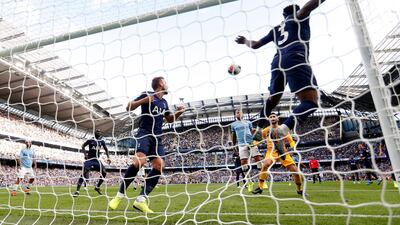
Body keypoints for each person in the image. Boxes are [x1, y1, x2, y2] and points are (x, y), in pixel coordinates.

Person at [235, 0, 326, 142]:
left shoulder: (275, 29)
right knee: (311, 101)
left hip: (277, 63)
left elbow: (256, 45)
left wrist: (245, 40)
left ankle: (259, 130)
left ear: (283, 16)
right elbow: (307, 7)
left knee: (272, 100)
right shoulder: (299, 16)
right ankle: (284, 129)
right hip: (295, 57)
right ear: (296, 12)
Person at [109, 76, 184, 213]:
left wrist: (179, 112)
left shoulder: (165, 102)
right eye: (165, 82)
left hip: (157, 137)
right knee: (139, 162)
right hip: (144, 133)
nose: (167, 84)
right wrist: (144, 101)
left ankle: (141, 201)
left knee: (159, 166)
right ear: (160, 84)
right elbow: (129, 106)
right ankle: (119, 196)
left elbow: (169, 119)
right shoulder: (147, 94)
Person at [252, 113, 306, 196]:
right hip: (271, 151)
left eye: (274, 116)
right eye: (271, 117)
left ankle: (299, 190)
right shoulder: (265, 130)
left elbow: (290, 140)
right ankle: (260, 187)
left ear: (277, 119)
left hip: (282, 151)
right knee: (266, 164)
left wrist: (294, 148)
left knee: (295, 170)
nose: (273, 118)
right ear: (268, 120)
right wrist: (253, 144)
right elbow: (257, 139)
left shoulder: (283, 129)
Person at [230, 108, 263, 192]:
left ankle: (261, 181)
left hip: (251, 143)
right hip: (241, 145)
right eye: (237, 112)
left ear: (242, 114)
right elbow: (233, 136)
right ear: (235, 115)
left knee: (258, 159)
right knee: (243, 164)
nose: (238, 113)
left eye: (240, 112)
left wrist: (257, 135)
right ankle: (249, 182)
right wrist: (234, 146)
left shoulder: (248, 122)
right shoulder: (233, 125)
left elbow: (252, 131)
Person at [73, 129, 111, 196]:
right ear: (94, 133)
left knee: (104, 172)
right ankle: (77, 191)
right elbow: (83, 146)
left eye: (99, 132)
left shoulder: (102, 141)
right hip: (89, 160)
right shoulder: (90, 140)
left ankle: (97, 187)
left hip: (96, 160)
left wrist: (108, 158)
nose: (98, 132)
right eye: (97, 131)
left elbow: (106, 149)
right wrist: (85, 155)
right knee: (84, 173)